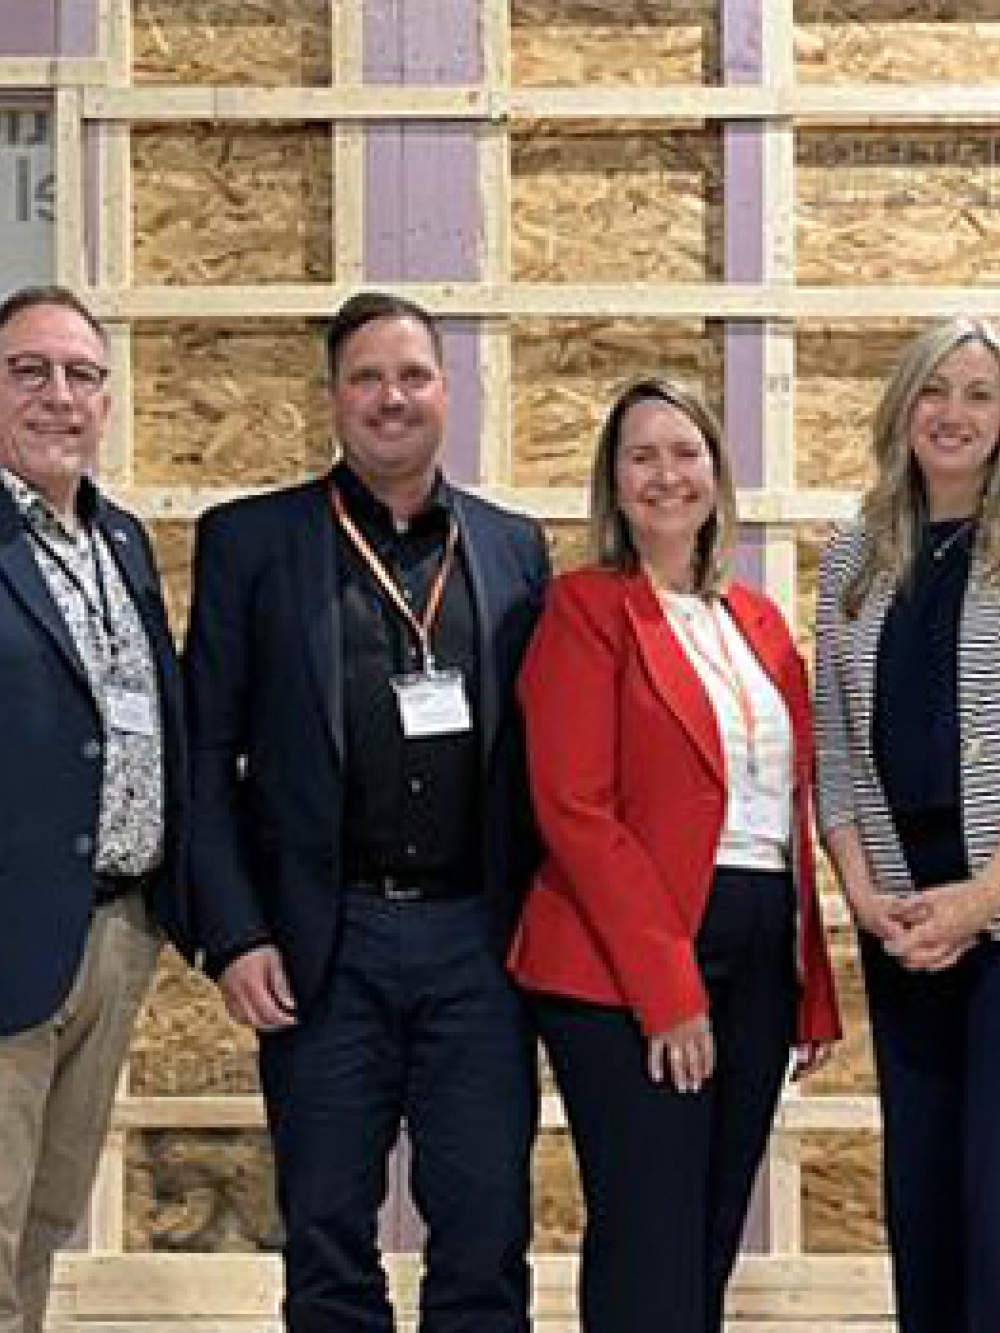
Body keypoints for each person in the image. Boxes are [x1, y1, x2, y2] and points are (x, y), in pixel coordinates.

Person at [185, 291, 550, 1333]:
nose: (392, 398)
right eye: (367, 378)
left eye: (413, 376)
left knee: (485, 1236)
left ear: (448, 391)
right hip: (318, 947)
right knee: (328, 1240)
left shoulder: (516, 548)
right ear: (334, 398)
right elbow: (207, 756)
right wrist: (235, 933)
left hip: (477, 947)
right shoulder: (249, 544)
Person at [508, 377, 840, 1333]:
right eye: (641, 455)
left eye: (684, 451)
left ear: (716, 472)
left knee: (707, 1238)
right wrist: (670, 988)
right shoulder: (584, 609)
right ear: (613, 484)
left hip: (756, 952)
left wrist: (807, 978)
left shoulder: (762, 625)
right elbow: (574, 809)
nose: (666, 474)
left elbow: (786, 809)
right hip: (627, 961)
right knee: (649, 1237)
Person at [0, 285, 188, 1333]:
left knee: (41, 1218)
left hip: (114, 930)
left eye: (80, 376)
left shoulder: (119, 542)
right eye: (30, 371)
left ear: (107, 401)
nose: (57, 397)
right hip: (10, 929)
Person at [814, 316, 1000, 1333]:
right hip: (901, 914)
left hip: (994, 902)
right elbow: (832, 750)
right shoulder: (853, 552)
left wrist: (979, 900)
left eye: (978, 393)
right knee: (921, 1192)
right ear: (902, 407)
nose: (954, 414)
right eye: (936, 390)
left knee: (992, 1197)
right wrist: (863, 894)